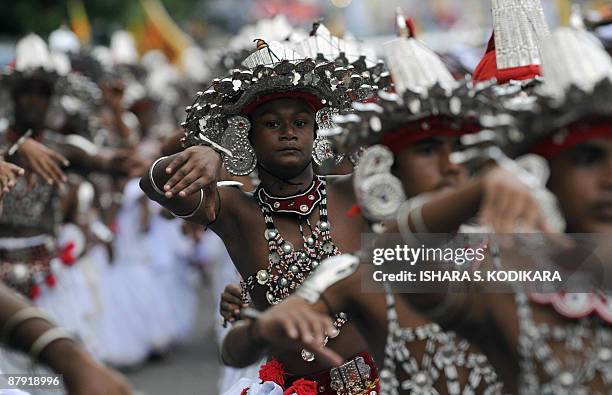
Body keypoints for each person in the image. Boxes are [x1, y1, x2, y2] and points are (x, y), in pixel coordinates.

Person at [141, 39, 383, 393]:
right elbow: (152, 184)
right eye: (272, 124)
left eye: (300, 122)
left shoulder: (353, 191)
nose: (288, 133)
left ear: (316, 131)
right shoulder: (234, 210)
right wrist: (206, 154)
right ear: (247, 138)